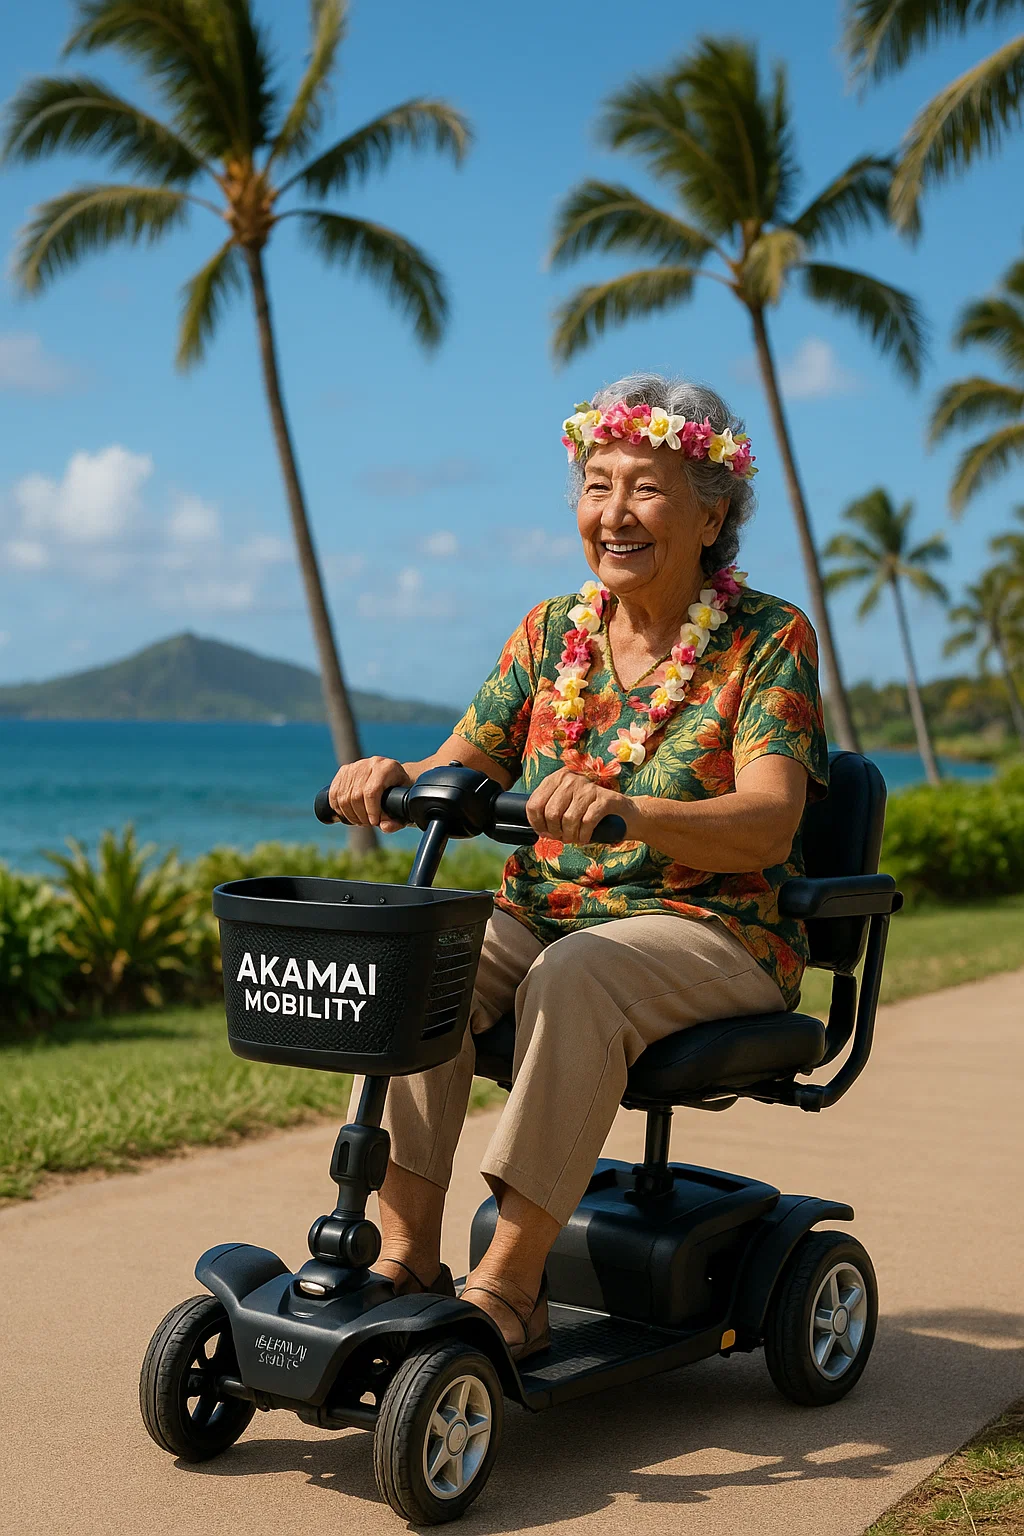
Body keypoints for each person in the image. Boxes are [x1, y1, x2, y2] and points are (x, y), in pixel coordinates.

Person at [328, 372, 828, 1361]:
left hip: (714, 929)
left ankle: (509, 1290)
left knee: (578, 971)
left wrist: (631, 810)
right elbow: (455, 768)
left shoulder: (767, 639)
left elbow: (771, 824)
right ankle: (405, 1258)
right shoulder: (551, 630)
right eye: (596, 485)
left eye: (643, 487)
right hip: (549, 910)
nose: (613, 513)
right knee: (422, 957)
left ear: (712, 511)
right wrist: (390, 776)